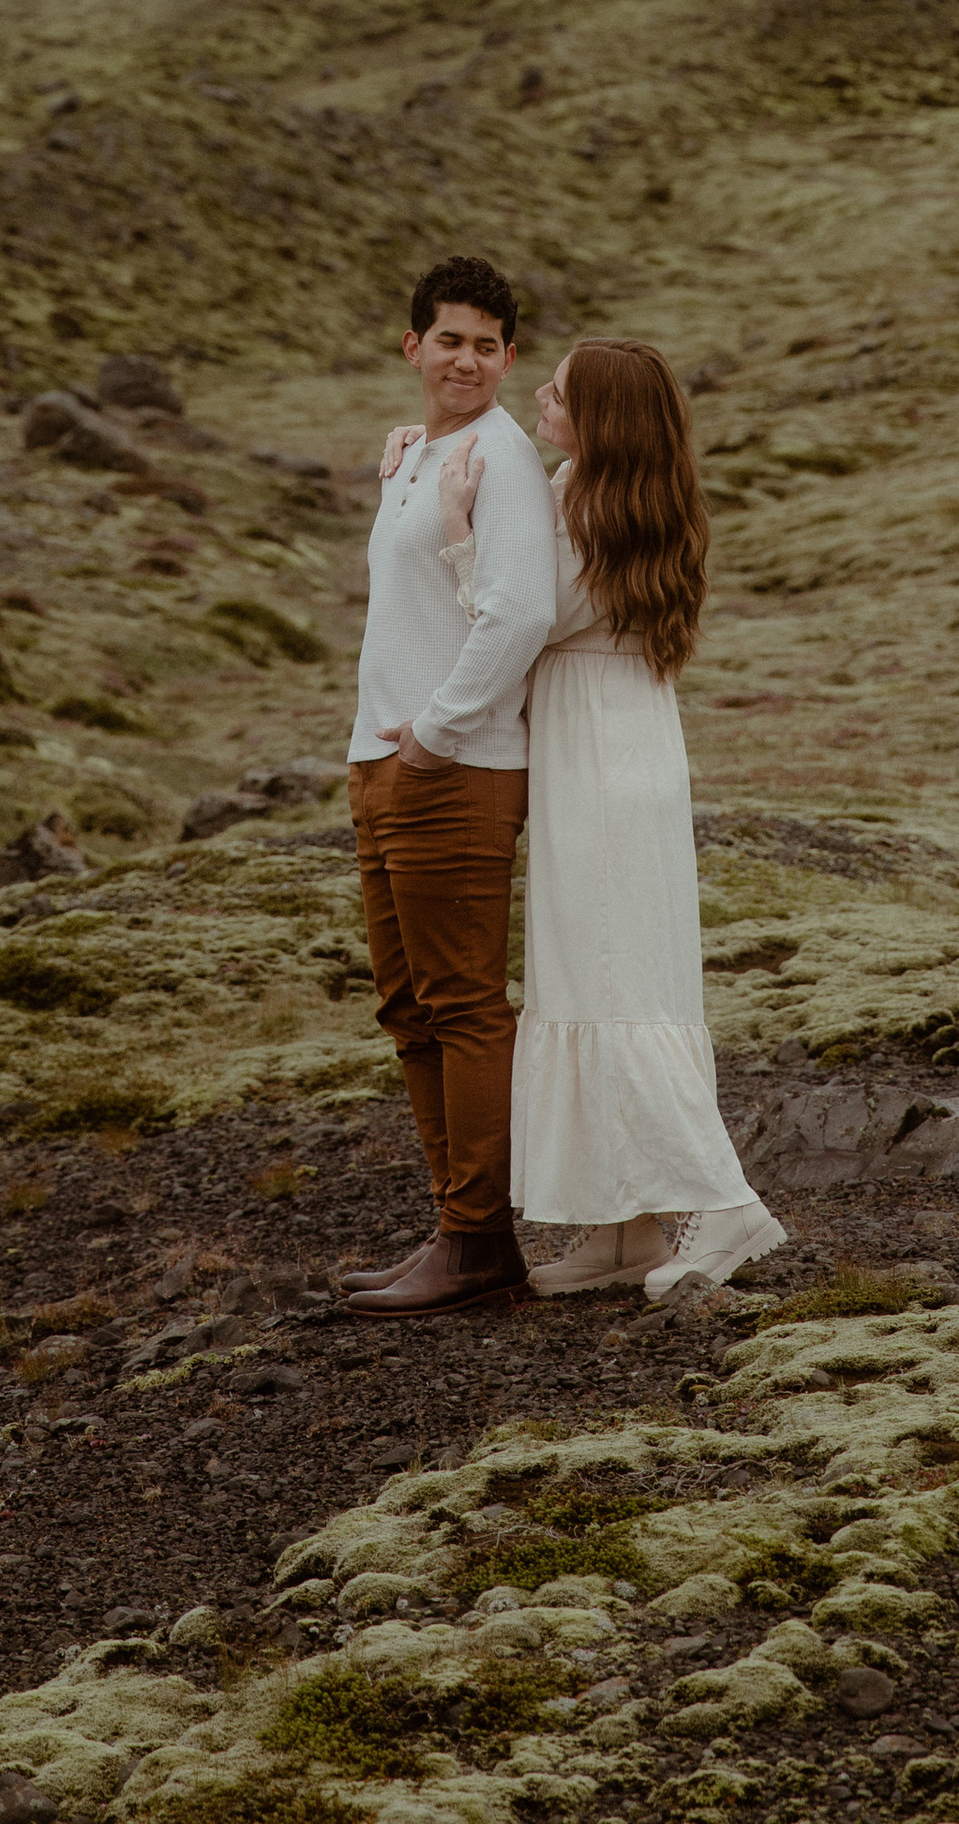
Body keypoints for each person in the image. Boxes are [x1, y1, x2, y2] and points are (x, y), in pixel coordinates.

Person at [440, 333, 790, 1303]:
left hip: (595, 753)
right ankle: (625, 1219)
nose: (541, 405)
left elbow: (517, 618)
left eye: (555, 395)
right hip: (617, 739)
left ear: (599, 419)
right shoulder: (626, 496)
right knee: (602, 966)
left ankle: (717, 1200)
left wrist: (460, 531)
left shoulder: (581, 500)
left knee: (608, 972)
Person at [337, 252, 559, 1320]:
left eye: (486, 343)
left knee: (462, 1005)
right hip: (383, 766)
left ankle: (479, 1242)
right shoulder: (424, 453)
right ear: (412, 345)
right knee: (407, 1006)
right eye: (448, 338)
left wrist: (432, 735)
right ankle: (451, 1225)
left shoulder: (505, 461)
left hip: (451, 769)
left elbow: (518, 615)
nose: (465, 358)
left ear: (508, 359)